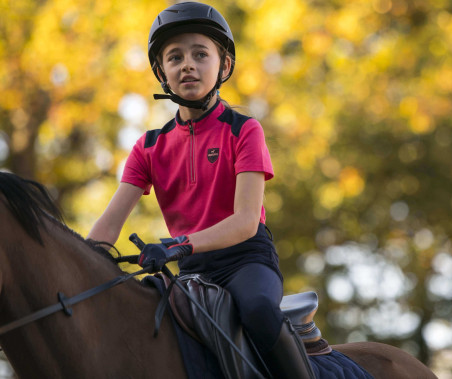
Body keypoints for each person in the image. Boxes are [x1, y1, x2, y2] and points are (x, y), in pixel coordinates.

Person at [88, 2, 315, 378]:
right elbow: (107, 228)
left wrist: (177, 245)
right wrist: (79, 266)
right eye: (175, 57)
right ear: (162, 72)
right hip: (191, 272)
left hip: (245, 261)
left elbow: (245, 222)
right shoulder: (147, 147)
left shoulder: (244, 130)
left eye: (200, 54)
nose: (187, 64)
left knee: (258, 308)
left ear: (223, 66)